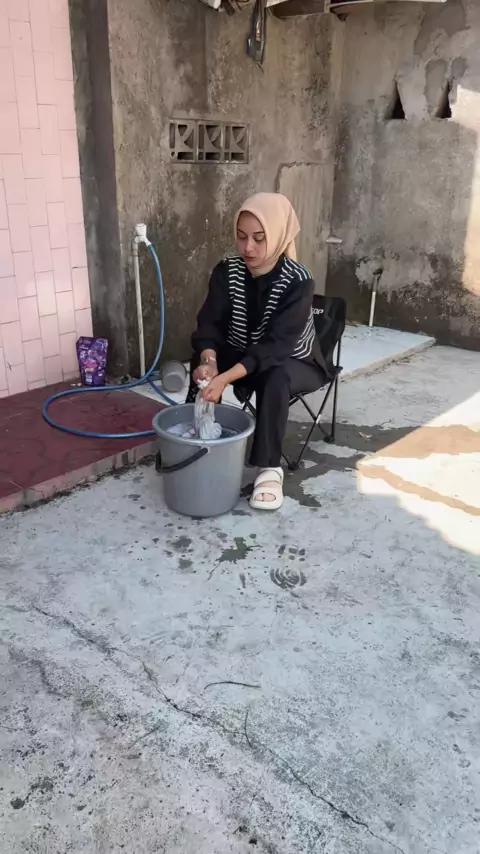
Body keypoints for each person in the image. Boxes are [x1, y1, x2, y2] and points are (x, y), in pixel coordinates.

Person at [187, 192, 330, 510]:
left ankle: (269, 468)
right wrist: (210, 362)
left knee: (275, 376)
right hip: (243, 352)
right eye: (241, 237)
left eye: (259, 238)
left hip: (294, 361)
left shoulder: (298, 281)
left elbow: (275, 348)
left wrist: (226, 377)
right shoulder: (227, 272)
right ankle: (200, 435)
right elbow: (209, 323)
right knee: (202, 363)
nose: (248, 247)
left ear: (278, 235)